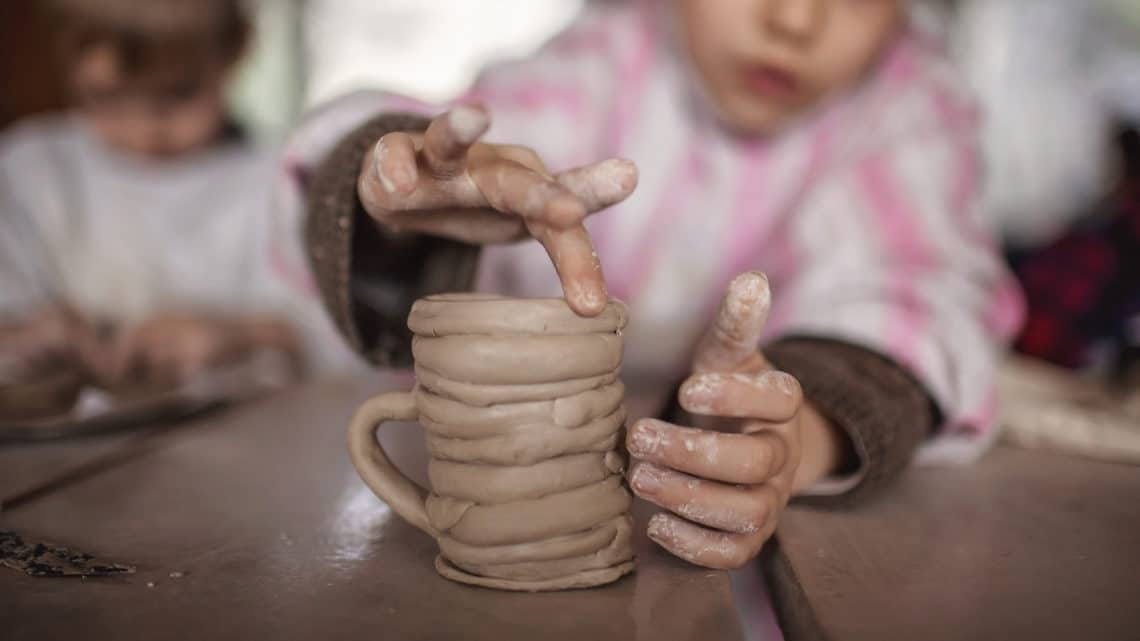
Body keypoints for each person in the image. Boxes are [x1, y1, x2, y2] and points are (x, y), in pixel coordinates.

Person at [286, 0, 1024, 570]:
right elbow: (457, 154)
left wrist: (795, 429)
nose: (795, 20)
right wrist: (398, 197)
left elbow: (917, 290)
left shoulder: (909, 106)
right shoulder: (601, 61)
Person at [0, 0, 353, 395]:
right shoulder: (31, 171)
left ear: (237, 50)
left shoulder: (279, 182)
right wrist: (23, 333)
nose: (144, 130)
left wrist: (240, 335)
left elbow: (341, 347)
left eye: (176, 95)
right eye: (108, 98)